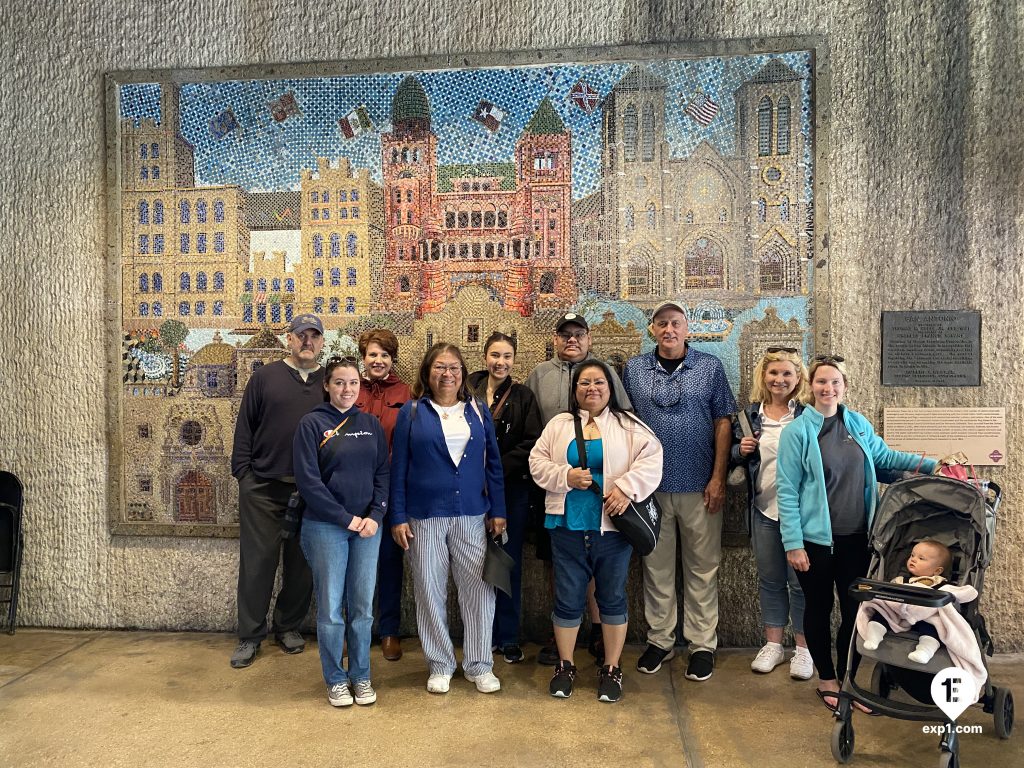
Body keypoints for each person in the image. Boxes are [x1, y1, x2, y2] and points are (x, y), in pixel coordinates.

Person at [776, 355, 938, 712]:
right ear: (811, 386)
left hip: (858, 541)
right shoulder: (797, 431)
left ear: (844, 387)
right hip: (815, 543)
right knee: (818, 609)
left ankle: (849, 679)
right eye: (821, 382)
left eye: (835, 382)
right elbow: (786, 490)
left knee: (857, 613)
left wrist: (934, 466)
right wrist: (793, 544)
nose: (828, 388)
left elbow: (885, 458)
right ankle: (827, 679)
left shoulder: (858, 424)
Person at [529, 360, 663, 703]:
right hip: (567, 524)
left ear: (611, 387)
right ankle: (565, 664)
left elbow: (652, 459)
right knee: (568, 597)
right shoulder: (559, 425)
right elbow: (537, 461)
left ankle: (612, 667)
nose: (592, 389)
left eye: (599, 382)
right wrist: (565, 476)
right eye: (584, 383)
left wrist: (626, 488)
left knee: (612, 596)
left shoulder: (628, 424)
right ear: (575, 390)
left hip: (612, 527)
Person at [623, 301, 736, 682]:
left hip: (700, 486)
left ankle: (702, 645)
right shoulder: (634, 369)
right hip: (649, 488)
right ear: (652, 329)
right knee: (656, 568)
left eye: (676, 323)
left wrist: (718, 477)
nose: (669, 329)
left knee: (702, 569)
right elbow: (625, 424)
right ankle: (660, 641)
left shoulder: (710, 367)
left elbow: (723, 421)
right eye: (662, 323)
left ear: (687, 328)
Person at [389, 343, 507, 694]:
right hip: (424, 516)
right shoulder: (412, 413)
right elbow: (398, 469)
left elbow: (494, 466)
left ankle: (479, 664)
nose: (447, 374)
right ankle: (440, 664)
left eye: (454, 368)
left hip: (472, 513)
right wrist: (397, 515)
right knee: (429, 589)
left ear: (463, 373)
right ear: (428, 372)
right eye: (440, 367)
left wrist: (498, 510)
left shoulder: (477, 411)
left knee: (479, 591)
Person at [526, 312, 632, 665]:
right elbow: (533, 431)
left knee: (602, 569)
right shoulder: (539, 375)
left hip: (604, 498)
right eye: (565, 334)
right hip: (556, 489)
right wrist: (555, 474)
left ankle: (602, 635)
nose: (572, 340)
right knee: (563, 566)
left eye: (579, 334)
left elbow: (625, 425)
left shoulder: (605, 375)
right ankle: (565, 639)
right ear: (555, 339)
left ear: (588, 339)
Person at [229, 314, 325, 669]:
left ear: (322, 343)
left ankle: (288, 626)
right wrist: (244, 475)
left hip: (310, 491)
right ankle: (250, 635)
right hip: (264, 489)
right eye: (302, 335)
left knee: (302, 566)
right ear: (289, 339)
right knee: (257, 564)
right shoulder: (264, 378)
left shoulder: (327, 383)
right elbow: (245, 428)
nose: (307, 342)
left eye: (314, 336)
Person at [293, 356, 390, 707]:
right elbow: (309, 482)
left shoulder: (370, 424)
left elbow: (382, 473)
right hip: (326, 527)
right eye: (339, 382)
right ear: (326, 385)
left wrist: (376, 515)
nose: (347, 389)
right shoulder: (311, 424)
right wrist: (345, 519)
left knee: (363, 608)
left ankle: (361, 675)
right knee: (332, 609)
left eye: (352, 383)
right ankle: (336, 678)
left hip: (368, 528)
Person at [731, 347, 813, 679]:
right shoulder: (750, 416)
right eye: (773, 373)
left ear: (798, 379)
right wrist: (741, 449)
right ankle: (774, 645)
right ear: (763, 377)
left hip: (802, 514)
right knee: (770, 580)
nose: (779, 379)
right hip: (764, 509)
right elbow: (734, 455)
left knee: (801, 584)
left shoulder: (808, 415)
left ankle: (805, 649)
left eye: (786, 374)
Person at [467, 332, 543, 665]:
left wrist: (493, 466)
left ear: (515, 360)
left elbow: (532, 442)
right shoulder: (464, 390)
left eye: (507, 356)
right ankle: (479, 635)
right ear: (485, 356)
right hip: (467, 488)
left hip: (511, 488)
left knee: (506, 561)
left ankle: (508, 635)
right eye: (495, 355)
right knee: (471, 563)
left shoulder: (523, 396)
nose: (501, 362)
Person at [353, 328, 412, 662]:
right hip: (354, 490)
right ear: (364, 357)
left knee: (390, 562)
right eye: (373, 354)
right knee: (356, 564)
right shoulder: (350, 388)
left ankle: (389, 630)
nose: (378, 361)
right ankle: (356, 630)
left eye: (385, 355)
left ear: (392, 359)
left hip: (389, 490)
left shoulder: (406, 392)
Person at [859, 540, 952, 663]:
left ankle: (925, 651)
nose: (913, 559)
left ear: (937, 571)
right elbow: (887, 594)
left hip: (925, 615)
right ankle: (874, 635)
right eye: (912, 555)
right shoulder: (901, 580)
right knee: (882, 613)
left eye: (921, 558)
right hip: (898, 613)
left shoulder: (940, 583)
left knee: (934, 626)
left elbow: (955, 595)